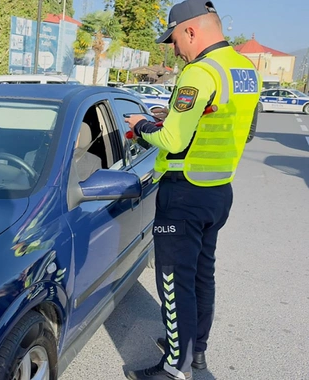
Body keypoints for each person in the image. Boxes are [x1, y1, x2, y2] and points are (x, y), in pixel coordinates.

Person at [123, 1, 261, 379]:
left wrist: (140, 124)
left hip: (183, 194)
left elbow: (169, 138)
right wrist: (184, 119)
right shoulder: (244, 69)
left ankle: (173, 368)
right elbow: (243, 130)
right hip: (217, 191)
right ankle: (196, 353)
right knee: (202, 276)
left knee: (172, 279)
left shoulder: (199, 73)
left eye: (174, 40)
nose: (174, 49)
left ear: (191, 30)